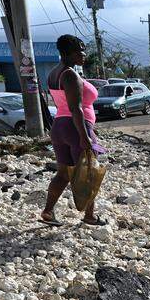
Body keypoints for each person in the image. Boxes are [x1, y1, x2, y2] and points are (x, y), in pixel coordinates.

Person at [42, 34, 106, 226]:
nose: (84, 53)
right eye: (79, 50)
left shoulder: (54, 73)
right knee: (88, 172)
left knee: (63, 174)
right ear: (66, 52)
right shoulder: (70, 74)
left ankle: (48, 211)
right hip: (75, 127)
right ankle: (90, 216)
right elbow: (75, 108)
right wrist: (85, 136)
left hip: (59, 127)